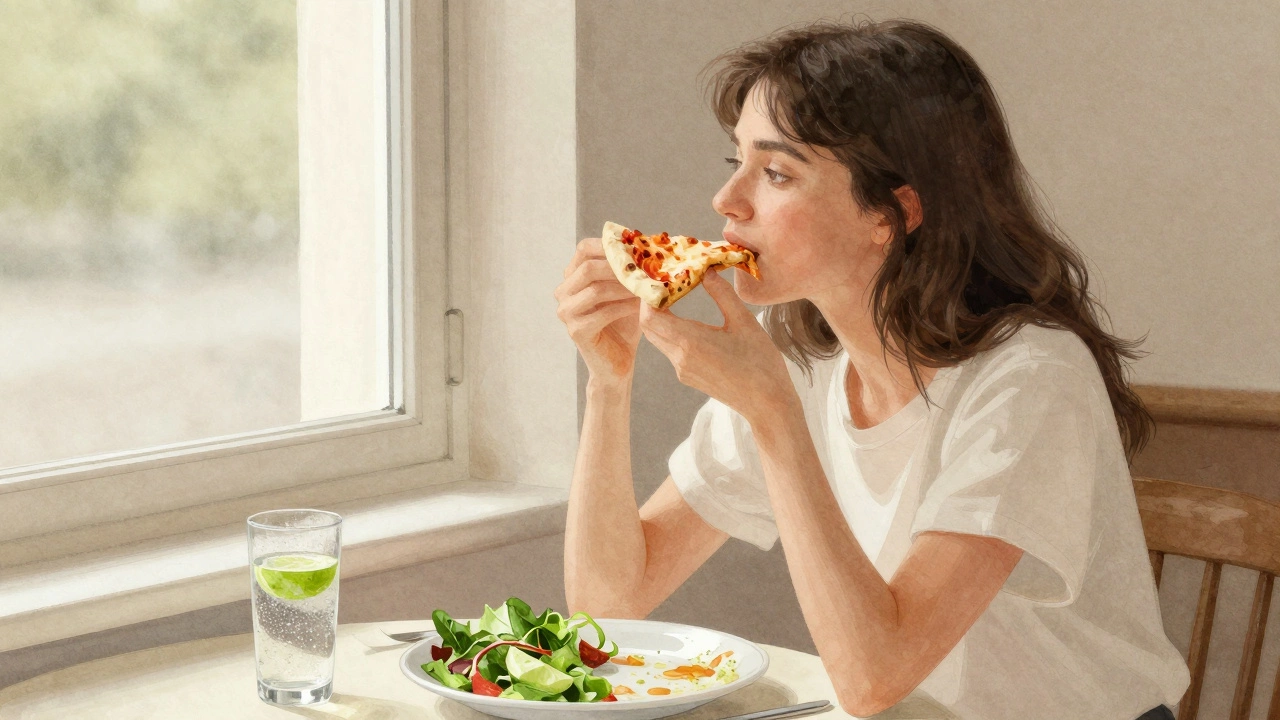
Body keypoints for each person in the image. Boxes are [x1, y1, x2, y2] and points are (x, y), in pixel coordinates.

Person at [553, 17, 1189, 720]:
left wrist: (772, 414)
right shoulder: (801, 352)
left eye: (775, 172)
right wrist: (608, 384)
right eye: (733, 160)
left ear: (890, 214)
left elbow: (871, 678)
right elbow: (609, 605)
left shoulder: (1032, 379)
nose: (727, 201)